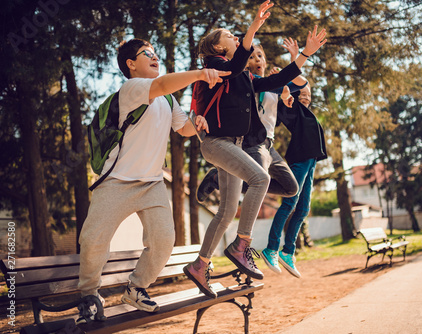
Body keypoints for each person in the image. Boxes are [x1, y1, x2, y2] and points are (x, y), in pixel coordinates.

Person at [77, 38, 228, 322]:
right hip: (116, 182)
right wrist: (198, 73)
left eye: (156, 53)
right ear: (131, 65)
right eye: (147, 54)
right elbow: (160, 85)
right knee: (94, 239)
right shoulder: (132, 89)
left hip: (152, 184)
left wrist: (196, 121)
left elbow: (181, 128)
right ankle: (88, 294)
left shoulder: (168, 99)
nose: (155, 57)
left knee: (163, 241)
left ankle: (136, 288)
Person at [183, 0, 327, 299]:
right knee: (260, 179)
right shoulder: (215, 67)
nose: (236, 38)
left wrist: (304, 55)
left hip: (232, 146)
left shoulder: (243, 77)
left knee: (225, 212)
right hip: (216, 144)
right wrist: (253, 26)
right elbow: (232, 68)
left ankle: (200, 264)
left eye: (238, 36)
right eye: (229, 36)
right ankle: (242, 244)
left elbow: (276, 80)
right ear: (218, 49)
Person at [196, 38, 310, 202]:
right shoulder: (248, 82)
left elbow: (300, 84)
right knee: (258, 183)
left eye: (260, 56)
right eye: (251, 57)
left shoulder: (273, 81)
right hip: (254, 142)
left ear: (265, 60)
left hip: (270, 144)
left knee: (291, 188)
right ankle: (217, 179)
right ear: (246, 63)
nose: (257, 59)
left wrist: (293, 61)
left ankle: (217, 178)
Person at [261, 83, 327, 278]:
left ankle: (288, 251)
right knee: (290, 203)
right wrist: (293, 59)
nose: (306, 97)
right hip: (300, 159)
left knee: (304, 209)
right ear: (296, 97)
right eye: (302, 94)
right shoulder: (294, 110)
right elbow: (294, 84)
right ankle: (271, 248)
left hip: (311, 161)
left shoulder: (308, 114)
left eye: (309, 95)